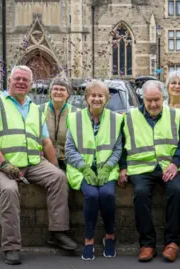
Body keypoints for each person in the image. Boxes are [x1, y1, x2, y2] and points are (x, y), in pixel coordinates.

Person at [0, 65, 77, 265]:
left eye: (25, 80)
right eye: (17, 79)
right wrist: (4, 164)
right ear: (9, 81)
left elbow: (46, 142)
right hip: (0, 165)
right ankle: (11, 246)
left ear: (31, 84)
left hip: (32, 162)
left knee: (59, 178)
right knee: (9, 190)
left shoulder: (34, 108)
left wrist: (54, 167)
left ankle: (57, 232)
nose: (21, 82)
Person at [118, 80, 180, 263]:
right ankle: (147, 244)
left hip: (171, 165)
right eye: (148, 100)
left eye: (156, 100)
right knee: (141, 194)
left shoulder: (175, 115)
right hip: (142, 167)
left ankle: (172, 243)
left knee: (177, 192)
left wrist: (175, 163)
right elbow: (121, 145)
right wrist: (123, 167)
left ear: (163, 97)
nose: (152, 104)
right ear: (142, 98)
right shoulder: (129, 117)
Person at [65, 80, 123, 260]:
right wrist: (85, 169)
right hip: (81, 170)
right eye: (93, 95)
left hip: (108, 169)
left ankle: (110, 236)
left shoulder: (116, 119)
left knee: (107, 195)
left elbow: (118, 149)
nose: (96, 99)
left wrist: (106, 168)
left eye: (100, 96)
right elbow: (69, 149)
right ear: (86, 98)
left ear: (107, 99)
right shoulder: (75, 118)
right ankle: (89, 239)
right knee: (91, 196)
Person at [39, 78, 78, 171]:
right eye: (55, 89)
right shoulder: (38, 110)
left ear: (68, 94)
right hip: (44, 159)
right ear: (50, 92)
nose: (58, 92)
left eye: (62, 89)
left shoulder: (76, 113)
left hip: (68, 160)